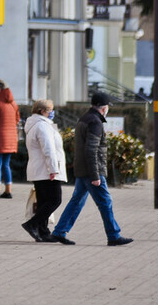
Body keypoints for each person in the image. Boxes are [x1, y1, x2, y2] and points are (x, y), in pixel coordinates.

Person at [48, 92, 134, 246]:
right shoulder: (95, 122)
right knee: (105, 201)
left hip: (83, 168)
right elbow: (91, 150)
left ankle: (59, 231)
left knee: (77, 201)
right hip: (91, 171)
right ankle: (114, 235)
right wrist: (96, 175)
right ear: (104, 108)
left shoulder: (85, 118)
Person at [22, 99, 67, 242]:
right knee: (55, 200)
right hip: (46, 170)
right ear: (42, 111)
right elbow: (48, 149)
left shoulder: (35, 124)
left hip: (39, 169)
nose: (52, 113)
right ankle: (32, 224)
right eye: (50, 110)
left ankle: (43, 231)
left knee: (43, 201)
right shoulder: (42, 126)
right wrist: (53, 169)